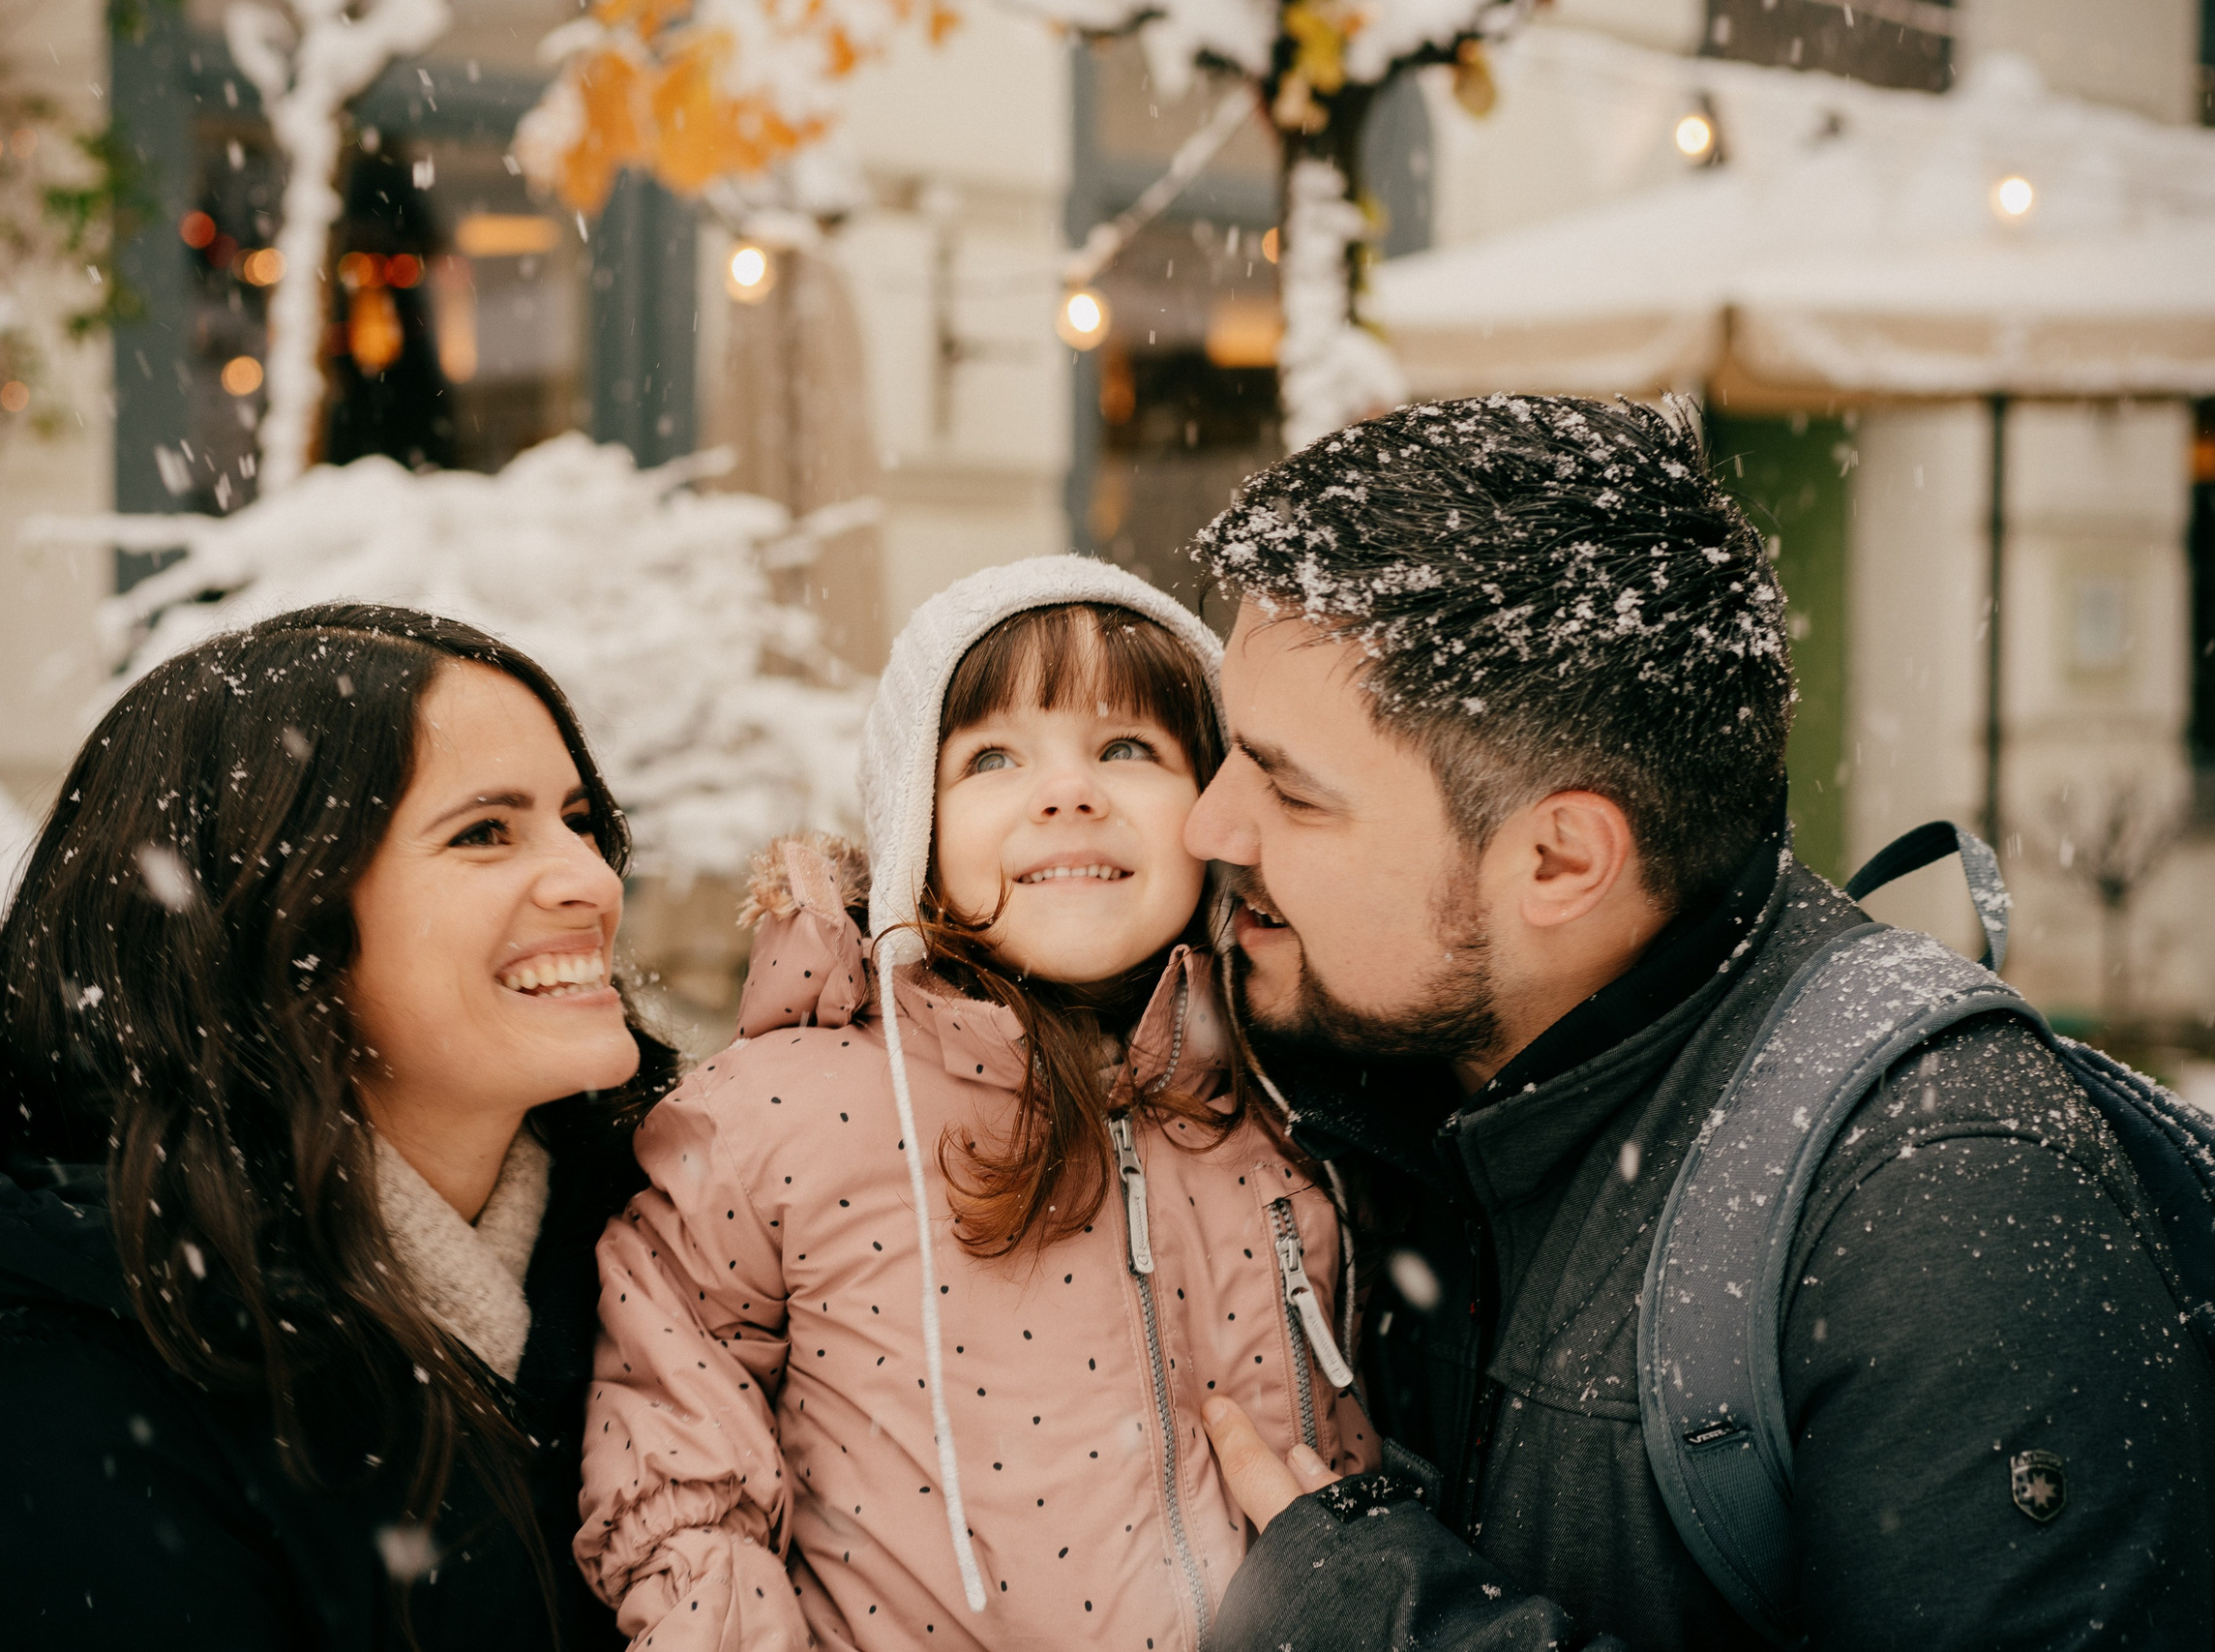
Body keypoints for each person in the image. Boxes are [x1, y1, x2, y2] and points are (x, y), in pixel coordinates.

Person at [1180, 396, 2215, 1649]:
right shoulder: (1376, 1060)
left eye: (1287, 786)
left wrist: (1391, 1621)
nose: (1210, 825)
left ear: (1560, 860)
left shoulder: (1937, 1200)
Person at [575, 557, 1377, 1650]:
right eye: (994, 757)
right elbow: (676, 1468)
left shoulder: (1293, 1095)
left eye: (1127, 748)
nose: (1068, 792)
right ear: (918, 830)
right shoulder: (778, 1116)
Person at [0, 604, 677, 1648]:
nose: (590, 879)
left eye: (578, 820)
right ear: (271, 916)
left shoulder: (682, 1281)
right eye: (485, 830)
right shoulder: (69, 1414)